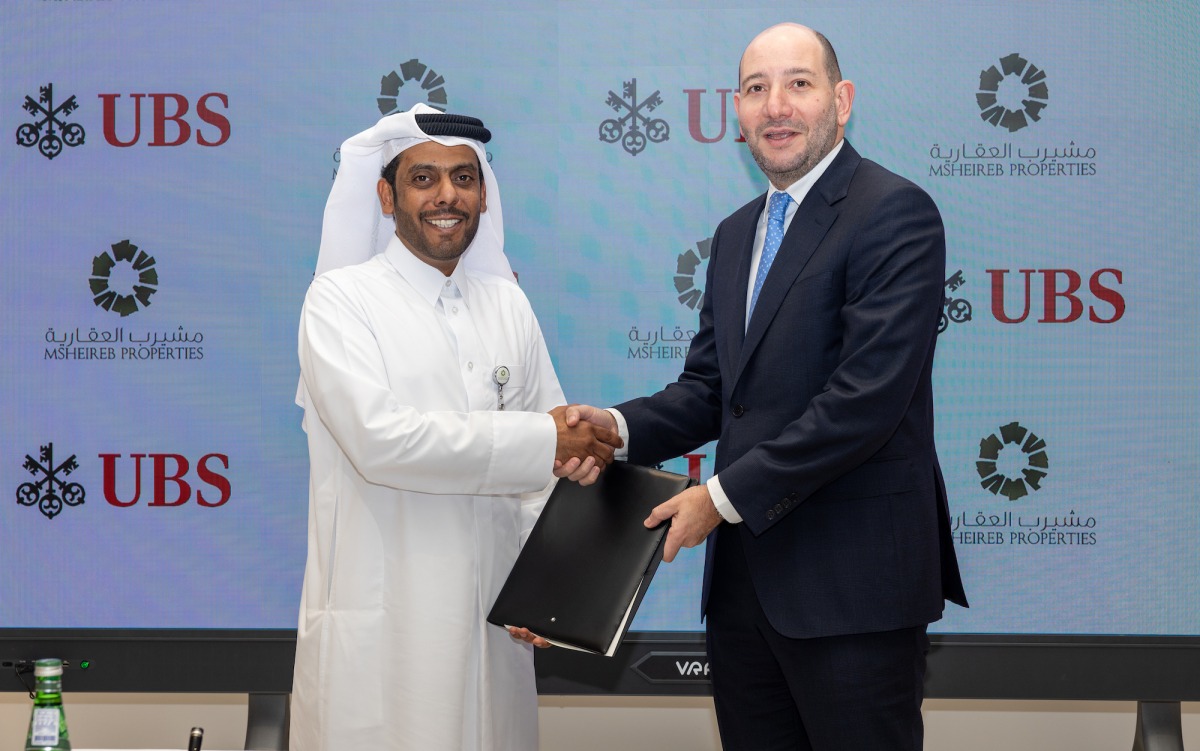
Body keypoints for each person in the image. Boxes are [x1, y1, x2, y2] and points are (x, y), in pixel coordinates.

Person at [562, 23, 968, 751]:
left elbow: (863, 402)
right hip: (746, 595)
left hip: (854, 593)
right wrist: (614, 429)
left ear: (841, 101)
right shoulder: (737, 232)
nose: (775, 105)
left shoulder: (894, 212)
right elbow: (714, 389)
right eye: (756, 89)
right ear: (738, 112)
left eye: (798, 84)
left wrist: (717, 500)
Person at [291, 104, 620, 751]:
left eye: (464, 178)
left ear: (483, 192)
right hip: (385, 642)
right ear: (386, 195)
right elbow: (381, 441)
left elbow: (547, 482)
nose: (448, 195)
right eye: (424, 178)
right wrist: (546, 442)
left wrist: (551, 591)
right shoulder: (339, 302)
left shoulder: (508, 304)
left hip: (493, 635)